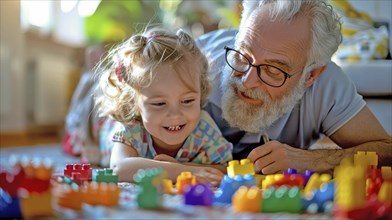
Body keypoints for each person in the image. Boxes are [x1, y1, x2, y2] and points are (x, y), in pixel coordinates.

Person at [195, 0, 391, 175]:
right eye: (243, 55)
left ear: (310, 76)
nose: (247, 81)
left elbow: (386, 151)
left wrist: (311, 160)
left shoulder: (326, 84)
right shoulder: (196, 64)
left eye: (273, 70)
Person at [94, 27, 233, 185]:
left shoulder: (204, 128)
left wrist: (178, 166)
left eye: (187, 101)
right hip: (102, 126)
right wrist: (182, 171)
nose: (175, 114)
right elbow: (119, 168)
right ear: (133, 102)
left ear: (200, 91)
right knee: (87, 110)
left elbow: (225, 168)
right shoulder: (131, 127)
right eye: (159, 103)